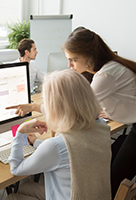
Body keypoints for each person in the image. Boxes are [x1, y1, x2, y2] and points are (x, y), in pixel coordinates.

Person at [6, 69, 111, 200]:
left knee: (12, 197)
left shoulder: (55, 146)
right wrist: (37, 142)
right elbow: (68, 150)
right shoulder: (101, 125)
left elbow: (16, 169)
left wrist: (20, 131)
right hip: (94, 194)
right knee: (25, 187)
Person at [62, 27, 136, 199]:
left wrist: (37, 108)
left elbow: (77, 110)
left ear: (90, 56)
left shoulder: (106, 75)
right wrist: (113, 112)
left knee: (112, 179)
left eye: (73, 59)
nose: (69, 65)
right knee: (110, 160)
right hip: (132, 125)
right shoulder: (112, 66)